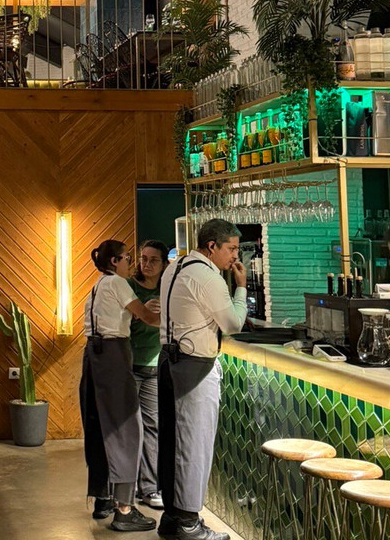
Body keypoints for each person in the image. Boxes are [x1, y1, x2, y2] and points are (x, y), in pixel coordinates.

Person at [157, 219, 247, 540]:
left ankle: (172, 518)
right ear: (212, 246)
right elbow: (233, 323)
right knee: (195, 444)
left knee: (172, 443)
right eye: (231, 249)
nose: (235, 256)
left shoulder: (174, 267)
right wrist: (240, 287)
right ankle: (188, 524)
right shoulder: (208, 277)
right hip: (195, 367)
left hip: (168, 362)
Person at [80, 239, 161, 532]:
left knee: (100, 427)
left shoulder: (99, 284)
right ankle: (125, 510)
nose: (132, 263)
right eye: (128, 257)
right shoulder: (118, 282)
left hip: (93, 356)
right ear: (115, 261)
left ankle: (103, 498)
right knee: (127, 429)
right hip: (113, 356)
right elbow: (149, 318)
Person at [131, 240, 166, 511]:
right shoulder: (129, 287)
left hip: (155, 366)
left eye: (154, 260)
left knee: (152, 426)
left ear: (164, 263)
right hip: (129, 364)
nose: (147, 264)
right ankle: (123, 486)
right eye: (144, 258)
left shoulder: (169, 288)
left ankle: (149, 487)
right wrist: (141, 313)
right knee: (129, 428)